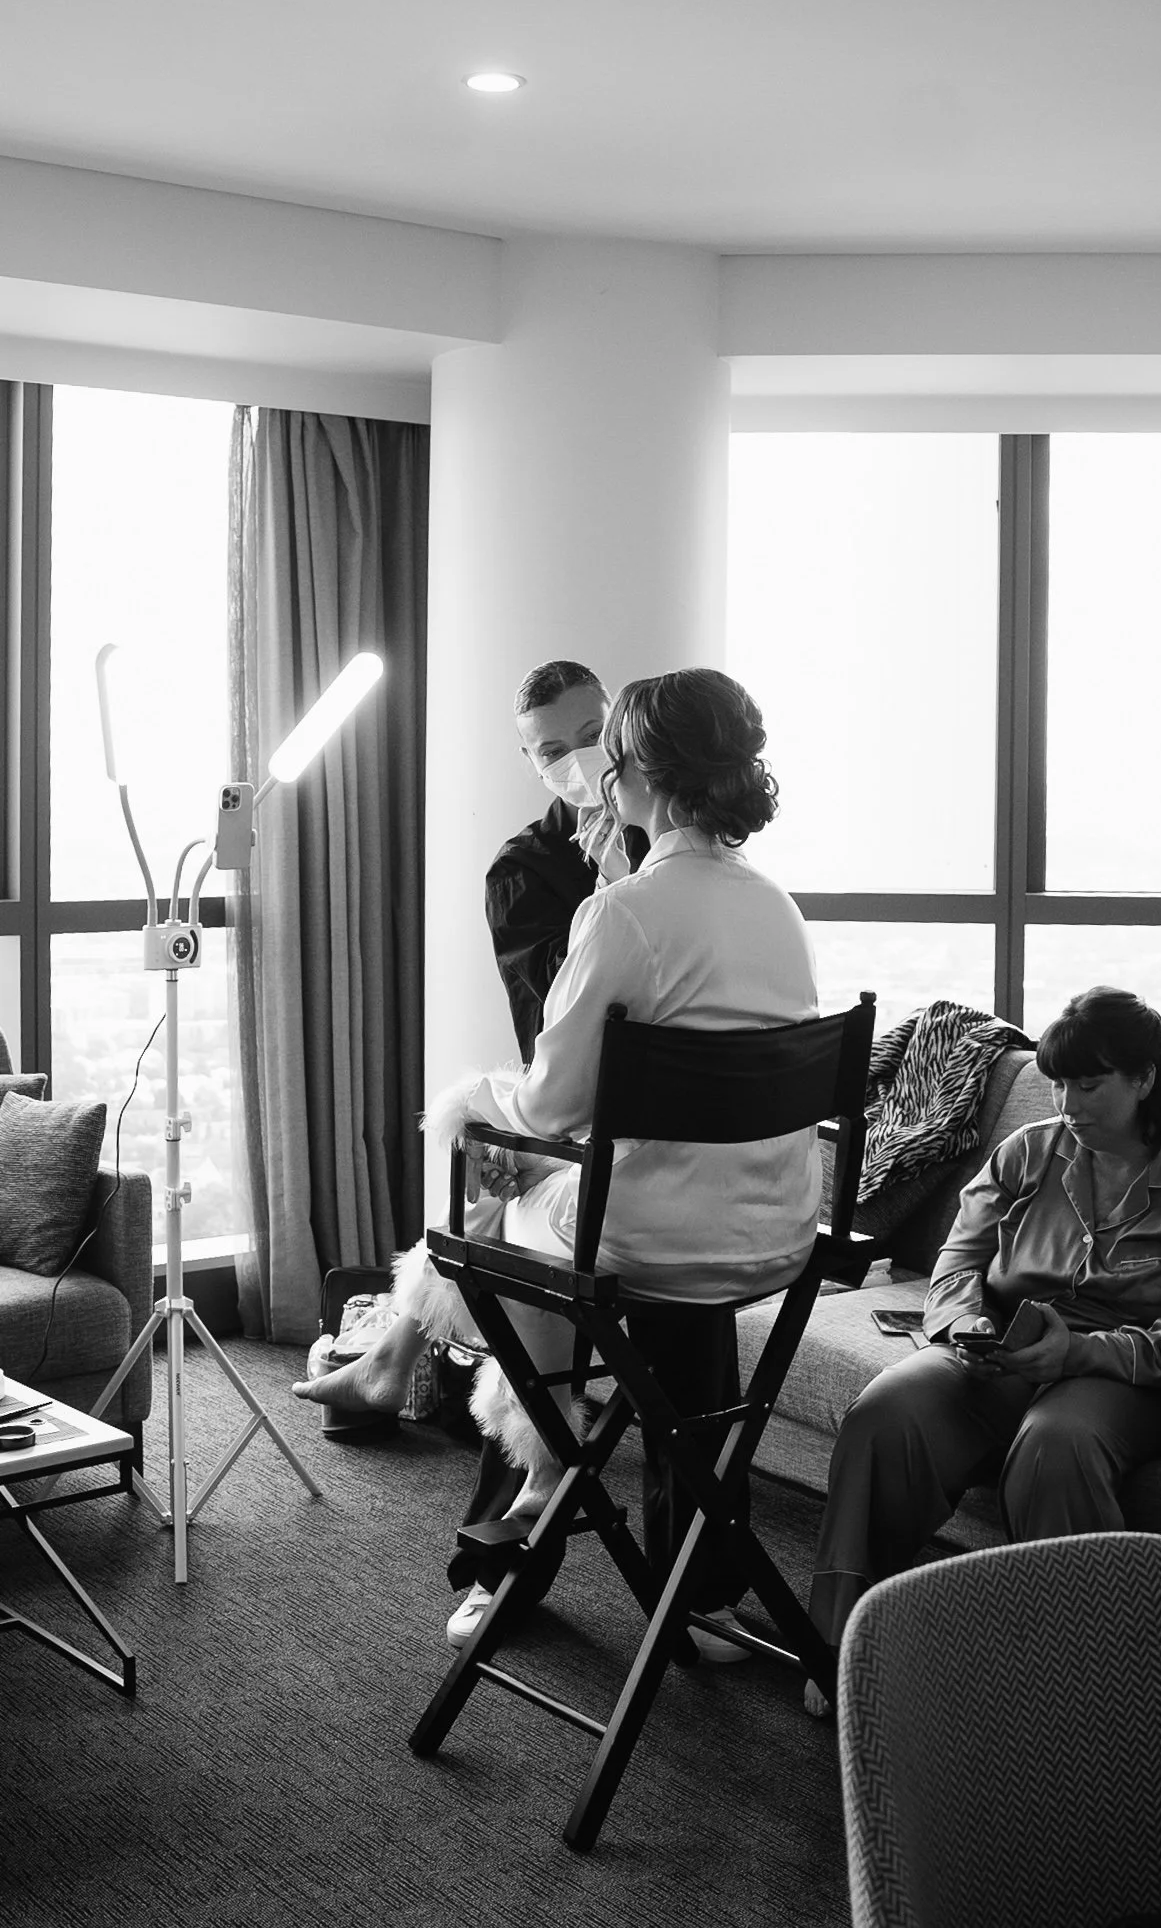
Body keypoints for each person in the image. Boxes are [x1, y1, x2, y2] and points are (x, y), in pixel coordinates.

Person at [296, 666, 822, 1656]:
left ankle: (535, 1472)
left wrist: (472, 1098)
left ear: (642, 774)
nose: (594, 770)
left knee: (484, 1187)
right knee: (546, 1224)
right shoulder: (776, 908)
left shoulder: (625, 909)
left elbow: (548, 1099)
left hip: (646, 1234)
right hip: (769, 1233)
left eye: (605, 748)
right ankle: (661, 1564)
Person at [804, 985, 1161, 1715]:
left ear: (1145, 1078)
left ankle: (1080, 1685)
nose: (1069, 1102)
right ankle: (844, 1647)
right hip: (1001, 1346)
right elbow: (957, 1264)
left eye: (1089, 1084)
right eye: (1058, 1084)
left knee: (1056, 1444)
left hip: (1129, 1373)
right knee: (886, 1409)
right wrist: (965, 1327)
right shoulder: (1027, 1151)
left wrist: (1077, 1355)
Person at [488, 658, 642, 1062]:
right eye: (553, 752)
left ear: (618, 731)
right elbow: (567, 992)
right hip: (577, 1091)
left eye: (593, 736)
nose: (578, 759)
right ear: (531, 762)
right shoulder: (518, 868)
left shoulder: (662, 831)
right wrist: (611, 886)